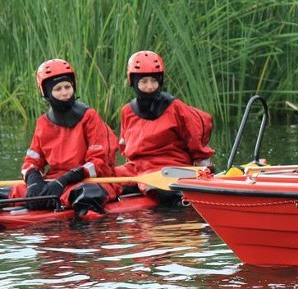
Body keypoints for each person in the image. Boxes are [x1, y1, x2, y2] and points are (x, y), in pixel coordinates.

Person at [9, 59, 121, 214]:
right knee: (15, 190)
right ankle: (44, 203)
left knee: (86, 193)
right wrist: (34, 181)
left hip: (88, 180)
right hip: (55, 183)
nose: (64, 92)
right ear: (47, 93)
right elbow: (32, 161)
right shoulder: (43, 123)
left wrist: (66, 179)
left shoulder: (90, 116)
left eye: (67, 87)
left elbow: (100, 163)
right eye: (58, 89)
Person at [115, 51, 215, 204]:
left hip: (170, 166)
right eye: (144, 82)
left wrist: (205, 170)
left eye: (154, 81)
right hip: (137, 168)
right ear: (133, 82)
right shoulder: (126, 111)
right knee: (104, 181)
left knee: (160, 189)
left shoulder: (175, 107)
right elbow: (125, 149)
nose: (149, 87)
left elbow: (196, 136)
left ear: (160, 81)